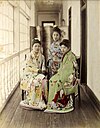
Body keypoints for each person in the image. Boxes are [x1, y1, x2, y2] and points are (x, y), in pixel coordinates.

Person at [45, 39, 78, 113]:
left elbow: (69, 69)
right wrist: (58, 72)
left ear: (68, 48)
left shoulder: (70, 56)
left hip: (69, 75)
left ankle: (57, 101)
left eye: (64, 48)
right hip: (63, 73)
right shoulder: (65, 55)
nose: (62, 49)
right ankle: (52, 102)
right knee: (51, 80)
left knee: (58, 82)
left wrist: (61, 75)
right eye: (61, 47)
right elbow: (62, 67)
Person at [20, 38, 47, 110]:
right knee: (35, 82)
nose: (37, 48)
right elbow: (29, 66)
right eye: (35, 46)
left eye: (38, 46)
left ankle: (41, 99)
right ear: (32, 47)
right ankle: (32, 101)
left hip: (38, 73)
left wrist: (43, 70)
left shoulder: (42, 56)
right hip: (29, 73)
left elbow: (43, 65)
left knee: (43, 80)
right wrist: (38, 70)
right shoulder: (29, 56)